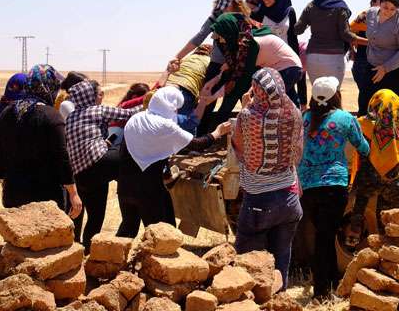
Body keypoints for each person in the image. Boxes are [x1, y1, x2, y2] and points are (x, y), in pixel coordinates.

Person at [117, 86, 230, 237]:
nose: (176, 112)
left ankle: (112, 259)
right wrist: (218, 132)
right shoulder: (165, 126)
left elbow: (139, 151)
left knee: (128, 228)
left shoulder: (137, 118)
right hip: (148, 189)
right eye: (175, 108)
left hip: (125, 185)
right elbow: (197, 144)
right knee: (163, 234)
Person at [297, 76, 369, 299]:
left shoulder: (305, 119)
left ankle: (328, 285)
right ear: (335, 96)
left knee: (323, 235)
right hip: (333, 186)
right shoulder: (344, 119)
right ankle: (322, 292)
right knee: (325, 238)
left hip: (307, 187)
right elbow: (363, 147)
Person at [232, 68, 303, 290]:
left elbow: (238, 147)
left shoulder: (248, 116)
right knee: (281, 260)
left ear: (257, 90)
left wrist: (244, 107)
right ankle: (279, 300)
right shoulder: (294, 113)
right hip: (290, 200)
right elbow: (297, 154)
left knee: (248, 266)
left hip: (259, 203)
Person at [346, 89, 399, 246]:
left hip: (368, 177)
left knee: (360, 202)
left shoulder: (364, 124)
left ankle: (353, 233)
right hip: (393, 178)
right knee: (388, 216)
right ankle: (388, 247)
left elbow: (359, 123)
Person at [0, 64, 82, 219]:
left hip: (14, 193)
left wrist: (4, 181)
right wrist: (73, 193)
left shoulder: (6, 113)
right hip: (45, 196)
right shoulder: (51, 116)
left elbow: (0, 152)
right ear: (49, 86)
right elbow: (62, 157)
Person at [65, 80, 141, 250]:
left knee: (92, 215)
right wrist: (152, 102)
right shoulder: (97, 110)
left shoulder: (70, 117)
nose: (102, 97)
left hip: (80, 176)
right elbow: (129, 114)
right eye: (99, 94)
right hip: (99, 163)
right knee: (131, 155)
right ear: (89, 96)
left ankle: (76, 251)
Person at [173, 0, 252, 134]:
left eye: (227, 5)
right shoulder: (215, 17)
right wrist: (178, 56)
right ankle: (200, 137)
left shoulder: (243, 19)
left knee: (245, 99)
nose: (224, 9)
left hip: (238, 66)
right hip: (217, 64)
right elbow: (199, 37)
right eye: (222, 5)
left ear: (236, 3)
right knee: (207, 99)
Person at [211, 13, 303, 116]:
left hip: (287, 69)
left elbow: (242, 80)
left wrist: (219, 108)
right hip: (283, 68)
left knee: (267, 104)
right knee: (285, 105)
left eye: (221, 36)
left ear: (230, 32)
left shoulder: (249, 44)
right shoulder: (244, 39)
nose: (220, 40)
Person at [294, 0, 359, 86]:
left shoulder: (311, 6)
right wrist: (368, 42)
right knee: (333, 94)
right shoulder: (340, 8)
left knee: (317, 93)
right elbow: (345, 35)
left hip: (313, 57)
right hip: (334, 58)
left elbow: (297, 29)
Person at [252, 0, 306, 109]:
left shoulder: (290, 12)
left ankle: (297, 126)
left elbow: (293, 40)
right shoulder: (257, 13)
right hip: (264, 65)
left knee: (289, 99)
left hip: (285, 63)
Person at [361, 0, 399, 114]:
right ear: (379, 2)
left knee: (395, 111)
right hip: (373, 66)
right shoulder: (370, 14)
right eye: (386, 7)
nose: (388, 11)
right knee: (366, 106)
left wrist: (385, 68)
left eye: (393, 9)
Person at [350, 0, 383, 116]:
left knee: (373, 98)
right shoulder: (364, 16)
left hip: (378, 63)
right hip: (364, 62)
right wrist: (352, 50)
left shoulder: (388, 17)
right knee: (366, 98)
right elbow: (349, 34)